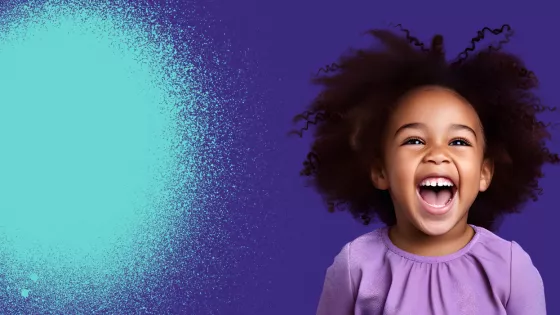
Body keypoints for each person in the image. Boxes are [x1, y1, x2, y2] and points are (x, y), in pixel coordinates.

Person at [292, 24, 558, 314]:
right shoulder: (355, 266)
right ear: (381, 171)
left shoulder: (509, 268)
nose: (437, 154)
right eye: (415, 140)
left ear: (484, 173)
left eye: (458, 141)